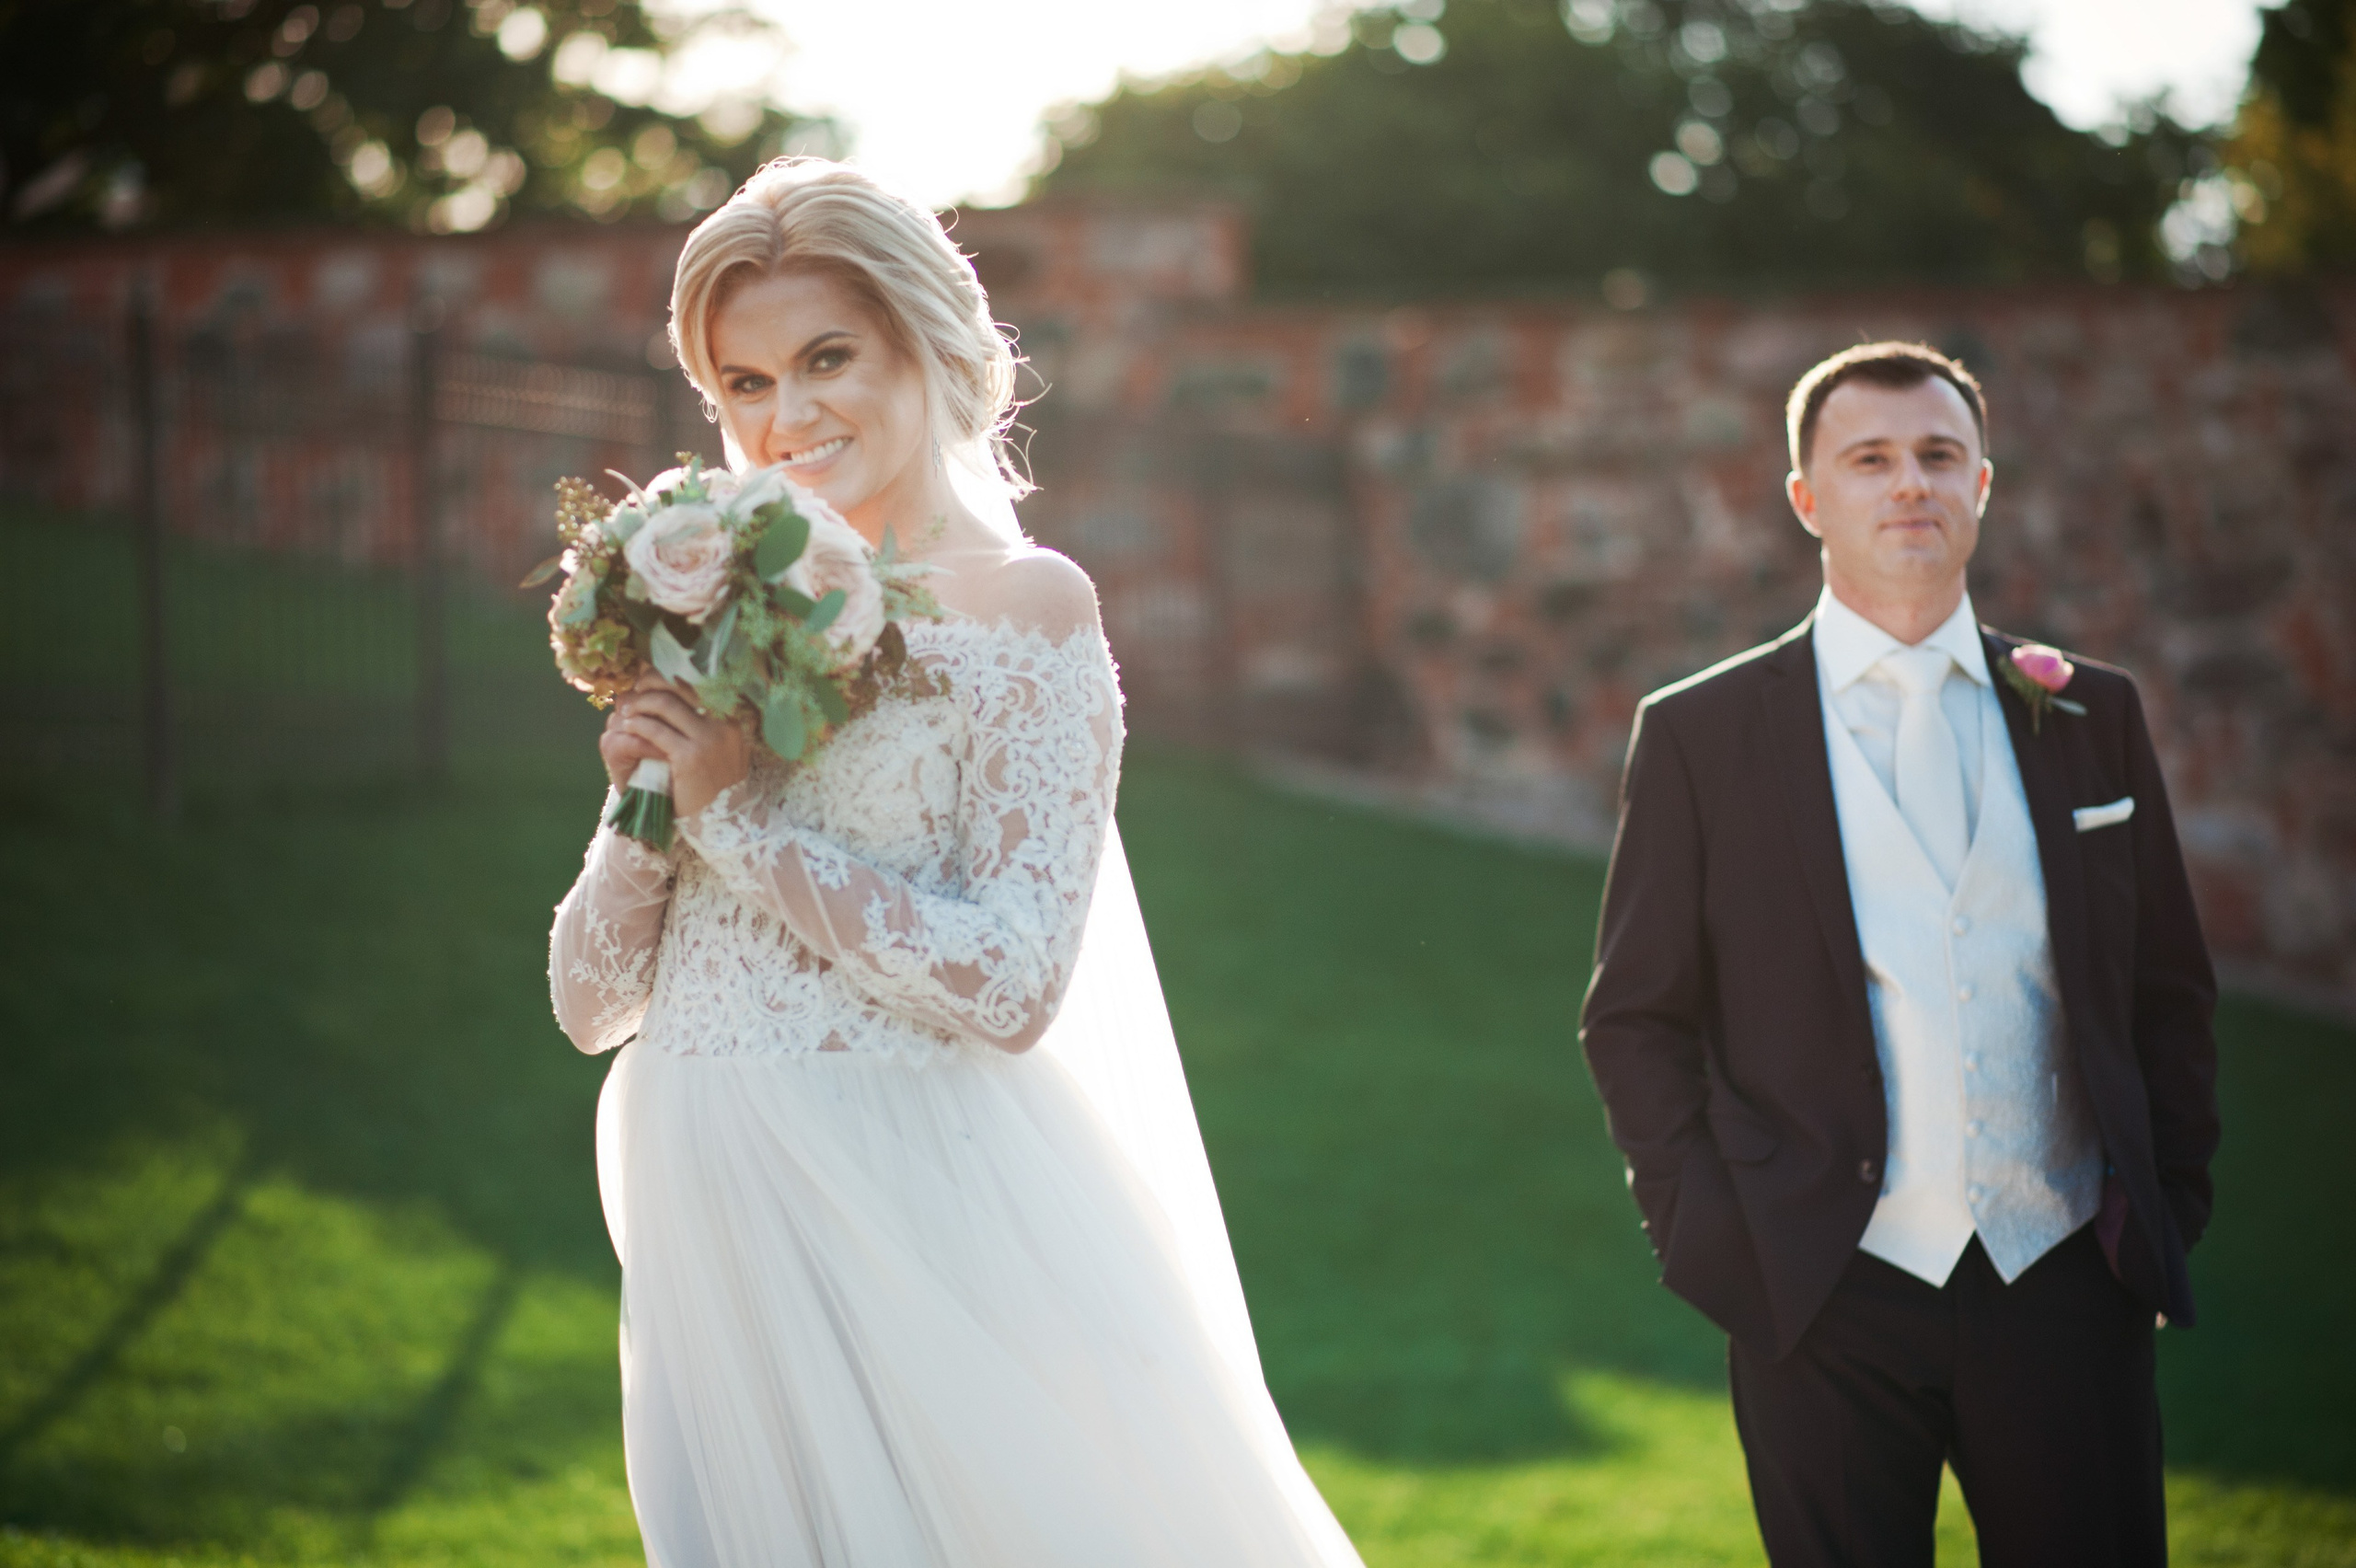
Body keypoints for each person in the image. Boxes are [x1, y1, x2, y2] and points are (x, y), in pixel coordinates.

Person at [549, 158, 1364, 1567]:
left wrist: (735, 815)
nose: (787, 419)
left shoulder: (1029, 610)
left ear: (930, 343)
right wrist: (647, 804)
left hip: (915, 1205)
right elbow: (587, 1003)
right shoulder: (716, 616)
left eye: (825, 360)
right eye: (744, 385)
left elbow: (1011, 982)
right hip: (715, 1214)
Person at [1579, 341, 2220, 1567]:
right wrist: (1712, 1234)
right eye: (1870, 460)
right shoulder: (1701, 733)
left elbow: (2170, 992)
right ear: (1809, 499)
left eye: (1939, 456)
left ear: (1983, 484)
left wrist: (2164, 1207)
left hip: (2065, 1278)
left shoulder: (2091, 714)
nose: (1910, 484)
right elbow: (1636, 1019)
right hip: (1820, 1289)